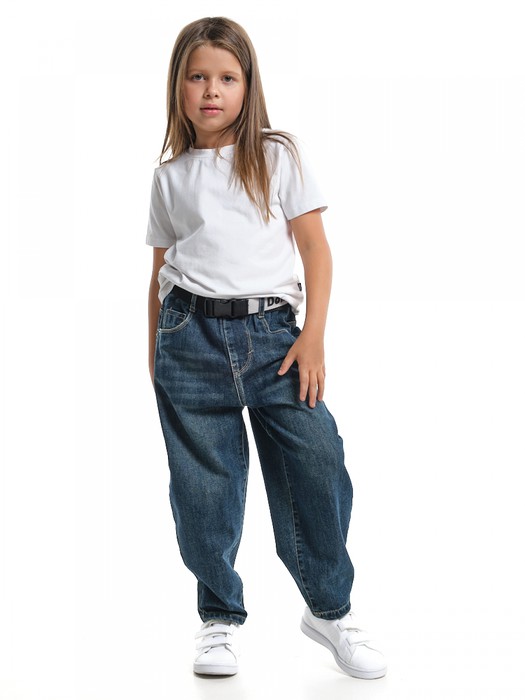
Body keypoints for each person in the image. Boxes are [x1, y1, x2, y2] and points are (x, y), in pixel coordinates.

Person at [146, 16, 386, 680]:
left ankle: (329, 609)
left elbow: (315, 249)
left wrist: (313, 336)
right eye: (197, 77)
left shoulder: (277, 155)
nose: (211, 90)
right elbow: (159, 272)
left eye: (227, 77)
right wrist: (153, 356)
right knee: (203, 489)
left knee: (317, 459)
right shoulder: (169, 177)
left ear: (248, 86)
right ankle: (218, 618)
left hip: (275, 338)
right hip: (187, 340)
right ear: (178, 86)